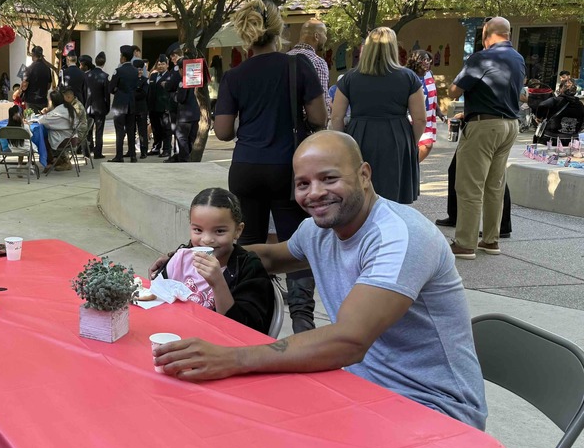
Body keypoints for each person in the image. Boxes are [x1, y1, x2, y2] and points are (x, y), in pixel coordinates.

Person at [153, 131, 487, 431]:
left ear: (364, 175)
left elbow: (348, 341)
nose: (315, 193)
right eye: (303, 184)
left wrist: (232, 358)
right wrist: (190, 255)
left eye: (329, 178)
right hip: (355, 387)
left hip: (433, 409)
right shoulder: (317, 231)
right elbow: (268, 257)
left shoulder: (399, 237)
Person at [214, 0, 326, 333]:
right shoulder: (298, 66)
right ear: (280, 30)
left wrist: (249, 121)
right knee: (296, 242)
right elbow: (319, 119)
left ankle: (251, 316)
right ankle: (302, 317)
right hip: (286, 168)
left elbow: (223, 131)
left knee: (248, 243)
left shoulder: (235, 75)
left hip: (246, 167)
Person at [447, 16, 524, 259]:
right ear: (508, 34)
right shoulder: (518, 58)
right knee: (495, 186)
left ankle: (465, 243)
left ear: (485, 34)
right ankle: (491, 240)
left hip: (484, 126)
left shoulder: (481, 57)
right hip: (510, 125)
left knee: (470, 186)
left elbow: (454, 90)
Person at [157, 188, 275, 334]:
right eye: (198, 230)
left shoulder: (249, 269)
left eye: (219, 231)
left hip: (219, 344)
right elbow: (157, 300)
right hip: (177, 335)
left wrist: (218, 282)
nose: (206, 240)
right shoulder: (181, 259)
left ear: (238, 230)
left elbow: (245, 332)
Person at [330, 27, 425, 204]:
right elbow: (420, 119)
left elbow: (336, 117)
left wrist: (343, 143)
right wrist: (410, 142)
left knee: (359, 192)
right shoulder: (409, 77)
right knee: (393, 196)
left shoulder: (349, 78)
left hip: (359, 136)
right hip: (397, 137)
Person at [167, 48, 203, 163]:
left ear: (182, 69)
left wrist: (174, 95)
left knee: (182, 139)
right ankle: (189, 159)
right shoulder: (194, 79)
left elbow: (181, 99)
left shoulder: (183, 82)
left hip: (185, 116)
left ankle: (184, 160)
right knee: (191, 139)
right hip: (195, 114)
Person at [287, 19, 330, 110]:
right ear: (316, 36)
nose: (326, 38)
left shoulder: (285, 58)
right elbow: (322, 104)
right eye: (325, 34)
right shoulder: (318, 62)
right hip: (306, 117)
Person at [109, 45, 139, 163]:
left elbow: (111, 88)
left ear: (123, 57)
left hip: (120, 104)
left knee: (119, 131)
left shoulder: (118, 71)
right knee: (131, 130)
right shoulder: (135, 70)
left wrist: (117, 90)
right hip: (131, 103)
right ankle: (133, 155)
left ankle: (119, 156)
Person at [406, 50, 437, 162]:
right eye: (424, 60)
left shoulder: (429, 74)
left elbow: (433, 95)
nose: (427, 62)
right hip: (412, 117)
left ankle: (411, 166)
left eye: (429, 60)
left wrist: (439, 113)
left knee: (426, 145)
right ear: (415, 61)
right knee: (416, 145)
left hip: (428, 117)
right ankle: (409, 167)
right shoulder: (408, 75)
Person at [35, 88, 76, 170]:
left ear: (52, 101)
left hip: (65, 140)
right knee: (46, 136)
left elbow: (42, 121)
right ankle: (58, 159)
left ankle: (51, 161)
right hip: (72, 137)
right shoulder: (67, 107)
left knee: (42, 139)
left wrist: (46, 112)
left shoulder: (57, 112)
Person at [535, 79, 584, 145]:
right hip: (572, 140)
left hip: (552, 138)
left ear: (561, 89)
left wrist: (539, 117)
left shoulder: (555, 100)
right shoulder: (580, 104)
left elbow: (542, 105)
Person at [83, 53, 110, 159]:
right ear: (104, 62)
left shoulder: (87, 75)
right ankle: (98, 153)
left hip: (89, 106)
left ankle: (87, 151)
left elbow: (84, 91)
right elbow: (106, 94)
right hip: (100, 107)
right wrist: (107, 106)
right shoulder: (105, 76)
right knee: (99, 131)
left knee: (88, 131)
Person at [147, 55, 173, 158]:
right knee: (155, 129)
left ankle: (167, 149)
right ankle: (156, 148)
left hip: (164, 108)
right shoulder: (153, 76)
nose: (160, 66)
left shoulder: (170, 76)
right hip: (153, 108)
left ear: (167, 65)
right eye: (159, 64)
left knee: (166, 130)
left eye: (163, 64)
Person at [23, 46, 53, 112]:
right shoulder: (47, 69)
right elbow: (49, 86)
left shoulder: (29, 68)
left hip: (31, 100)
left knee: (31, 118)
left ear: (33, 54)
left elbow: (24, 86)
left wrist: (21, 89)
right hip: (43, 100)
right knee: (42, 118)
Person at [132, 58, 150, 158]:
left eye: (141, 69)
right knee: (131, 131)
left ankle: (144, 150)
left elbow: (143, 93)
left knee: (142, 131)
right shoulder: (131, 80)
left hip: (141, 109)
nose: (139, 71)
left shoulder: (145, 80)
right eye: (137, 69)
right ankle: (131, 150)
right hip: (132, 108)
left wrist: (134, 93)